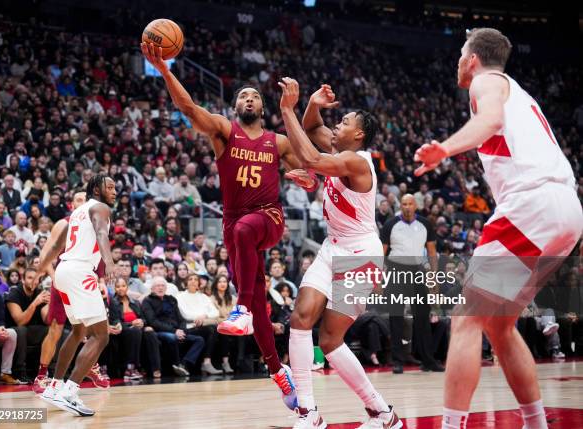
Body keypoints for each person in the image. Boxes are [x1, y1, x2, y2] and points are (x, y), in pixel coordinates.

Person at [413, 28, 583, 429]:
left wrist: (445, 149)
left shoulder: (486, 81)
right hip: (566, 211)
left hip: (532, 204)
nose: (458, 61)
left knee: (467, 318)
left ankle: (452, 425)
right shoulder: (520, 93)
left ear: (472, 59)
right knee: (500, 323)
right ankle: (536, 423)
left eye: (460, 53)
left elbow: (490, 120)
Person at [142, 42, 306, 406]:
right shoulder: (223, 132)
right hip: (234, 226)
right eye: (243, 97)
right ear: (235, 107)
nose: (249, 100)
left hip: (269, 216)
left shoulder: (277, 142)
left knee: (248, 241)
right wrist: (166, 70)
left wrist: (306, 176)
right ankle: (279, 371)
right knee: (260, 296)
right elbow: (186, 107)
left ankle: (241, 308)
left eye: (254, 97)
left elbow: (308, 162)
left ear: (263, 107)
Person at [278, 79, 401, 428]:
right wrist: (313, 104)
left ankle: (381, 412)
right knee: (300, 319)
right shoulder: (339, 150)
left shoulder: (358, 163)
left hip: (361, 254)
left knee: (331, 341)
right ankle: (309, 412)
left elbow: (312, 158)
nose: (337, 125)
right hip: (334, 246)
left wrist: (287, 107)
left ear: (359, 135)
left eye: (345, 122)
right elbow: (312, 128)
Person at [37, 175, 117, 416]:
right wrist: (109, 261)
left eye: (115, 187)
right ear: (96, 189)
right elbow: (102, 234)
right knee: (101, 336)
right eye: (110, 187)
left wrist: (44, 265)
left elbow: (55, 247)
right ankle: (70, 392)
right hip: (81, 272)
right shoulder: (100, 207)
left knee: (79, 331)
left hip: (64, 271)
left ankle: (54, 386)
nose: (114, 191)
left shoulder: (76, 213)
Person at [380, 194, 443, 374]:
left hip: (417, 271)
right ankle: (398, 361)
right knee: (396, 316)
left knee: (422, 317)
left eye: (410, 204)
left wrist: (434, 278)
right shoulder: (391, 224)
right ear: (401, 206)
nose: (407, 207)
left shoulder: (425, 224)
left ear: (416, 206)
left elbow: (432, 253)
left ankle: (428, 360)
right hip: (395, 270)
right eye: (404, 204)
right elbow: (381, 253)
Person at [142, 276, 204, 376]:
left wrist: (181, 330)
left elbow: (181, 319)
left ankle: (183, 364)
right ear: (152, 288)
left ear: (166, 288)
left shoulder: (171, 299)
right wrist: (174, 331)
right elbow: (153, 322)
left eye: (163, 286)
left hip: (177, 330)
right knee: (172, 337)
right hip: (160, 331)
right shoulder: (147, 301)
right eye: (157, 286)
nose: (160, 288)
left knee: (199, 339)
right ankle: (177, 364)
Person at [109, 277, 161, 379]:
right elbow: (115, 322)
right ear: (114, 289)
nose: (121, 289)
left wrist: (142, 323)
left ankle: (155, 369)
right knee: (135, 331)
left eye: (123, 286)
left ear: (127, 287)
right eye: (118, 287)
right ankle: (130, 369)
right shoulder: (113, 303)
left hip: (137, 329)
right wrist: (131, 323)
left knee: (150, 333)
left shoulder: (135, 302)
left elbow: (143, 318)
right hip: (123, 330)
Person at [5, 267, 49, 383]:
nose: (33, 281)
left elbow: (47, 320)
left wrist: (51, 304)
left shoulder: (40, 293)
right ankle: (20, 372)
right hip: (14, 331)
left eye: (36, 279)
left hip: (33, 330)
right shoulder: (14, 293)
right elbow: (20, 321)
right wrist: (35, 303)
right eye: (30, 278)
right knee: (21, 330)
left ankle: (50, 372)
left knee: (51, 330)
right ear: (23, 280)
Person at [176, 273, 222, 375]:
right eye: (190, 279)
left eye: (196, 279)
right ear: (186, 283)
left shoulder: (203, 297)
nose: (193, 281)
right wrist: (199, 317)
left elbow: (216, 312)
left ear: (199, 284)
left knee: (213, 328)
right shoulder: (180, 296)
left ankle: (207, 362)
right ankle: (206, 363)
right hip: (189, 327)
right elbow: (185, 314)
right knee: (212, 329)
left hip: (204, 326)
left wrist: (204, 316)